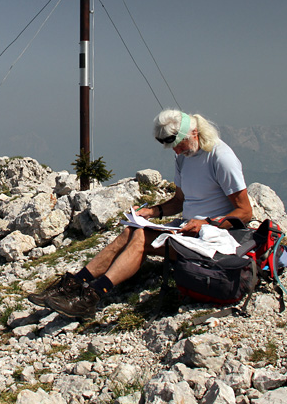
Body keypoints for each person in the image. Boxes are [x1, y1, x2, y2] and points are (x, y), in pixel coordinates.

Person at [28, 109, 253, 319]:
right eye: (171, 146)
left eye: (178, 143)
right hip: (189, 229)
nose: (176, 151)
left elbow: (244, 211)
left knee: (140, 239)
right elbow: (180, 201)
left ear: (194, 132)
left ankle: (91, 297)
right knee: (132, 230)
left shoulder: (220, 157)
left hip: (213, 238)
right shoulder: (183, 157)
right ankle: (74, 284)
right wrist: (151, 212)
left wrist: (206, 223)